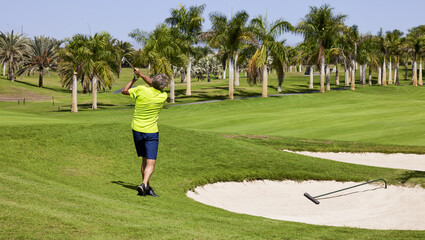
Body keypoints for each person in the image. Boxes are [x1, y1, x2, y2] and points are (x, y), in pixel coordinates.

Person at [122, 68, 168, 197]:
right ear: (163, 86)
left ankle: (146, 187)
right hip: (151, 132)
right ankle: (143, 183)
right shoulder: (163, 96)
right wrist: (141, 75)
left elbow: (124, 91)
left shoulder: (141, 90)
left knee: (144, 160)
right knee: (151, 161)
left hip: (137, 129)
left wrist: (135, 78)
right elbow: (154, 85)